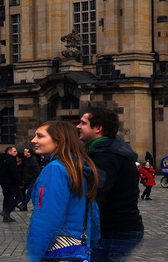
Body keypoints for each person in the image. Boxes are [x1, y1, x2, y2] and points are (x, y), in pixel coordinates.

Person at [26, 121, 100, 262]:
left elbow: (46, 219)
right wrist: (93, 244)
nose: (33, 140)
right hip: (79, 248)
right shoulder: (79, 167)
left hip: (59, 250)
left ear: (59, 141)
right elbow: (93, 212)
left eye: (40, 136)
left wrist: (33, 257)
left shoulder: (55, 169)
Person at [79, 108, 143, 262]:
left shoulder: (106, 157)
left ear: (98, 128)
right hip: (122, 229)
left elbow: (95, 194)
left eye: (83, 123)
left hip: (113, 231)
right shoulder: (109, 149)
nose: (78, 126)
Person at [0, 144, 27, 221]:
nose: (16, 153)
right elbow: (14, 172)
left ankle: (6, 217)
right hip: (11, 182)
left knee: (7, 198)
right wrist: (20, 182)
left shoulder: (1, 159)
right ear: (9, 152)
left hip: (3, 182)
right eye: (14, 151)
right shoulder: (11, 160)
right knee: (19, 197)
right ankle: (6, 211)